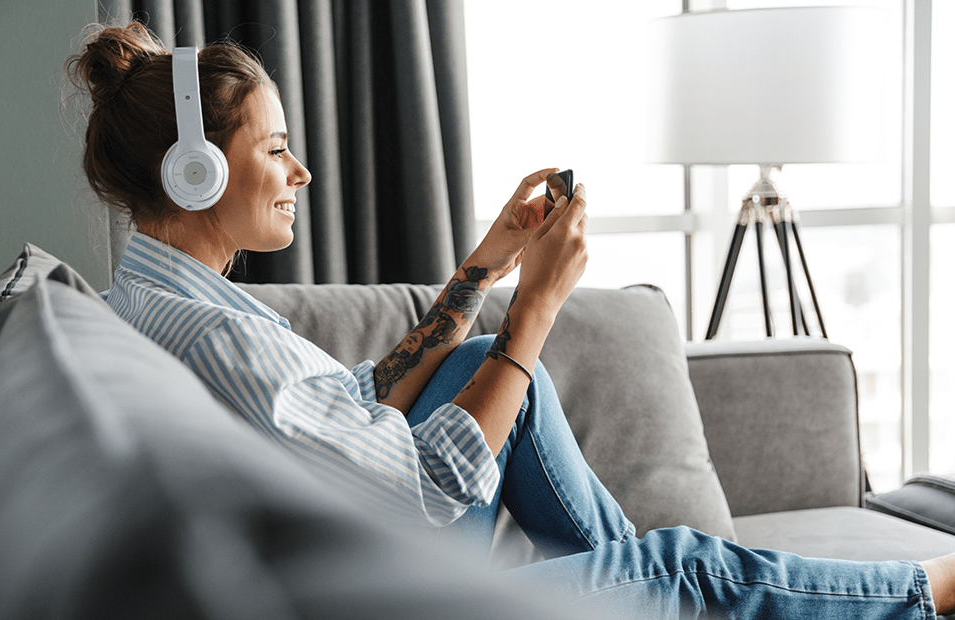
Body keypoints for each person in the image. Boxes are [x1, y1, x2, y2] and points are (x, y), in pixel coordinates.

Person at [66, 21, 955, 619]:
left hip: (336, 547)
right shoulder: (214, 334)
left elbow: (345, 403)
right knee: (676, 561)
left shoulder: (162, 302)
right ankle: (921, 592)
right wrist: (537, 308)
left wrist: (485, 267)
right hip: (375, 588)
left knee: (483, 359)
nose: (300, 174)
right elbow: (414, 496)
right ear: (196, 174)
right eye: (275, 149)